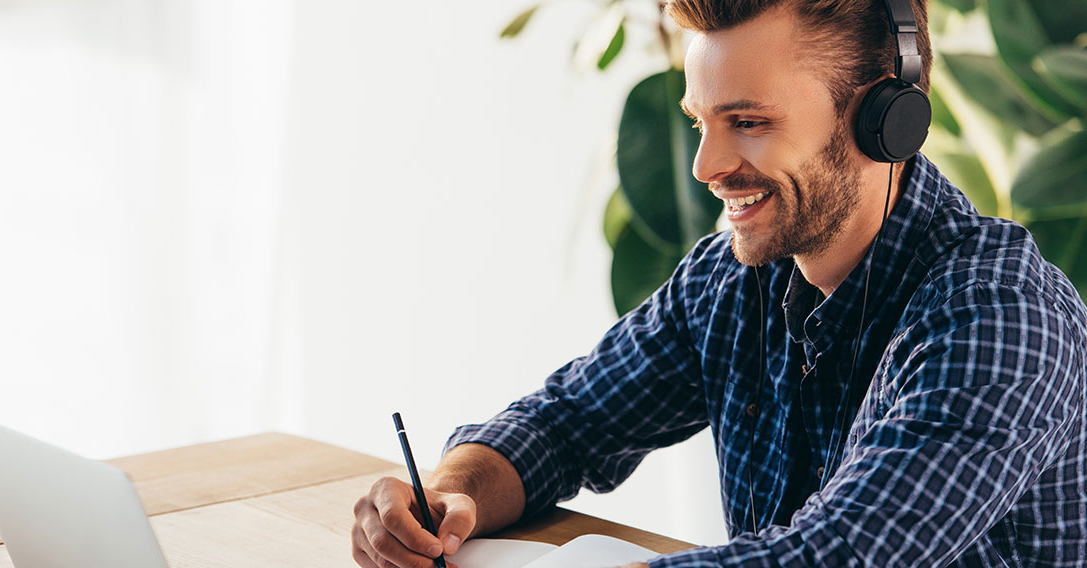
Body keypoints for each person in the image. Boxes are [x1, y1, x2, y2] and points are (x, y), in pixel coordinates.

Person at [351, 0, 1087, 566]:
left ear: (885, 122)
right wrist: (452, 492)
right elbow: (567, 424)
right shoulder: (734, 282)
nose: (705, 166)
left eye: (748, 121)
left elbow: (836, 557)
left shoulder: (1004, 318)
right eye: (701, 121)